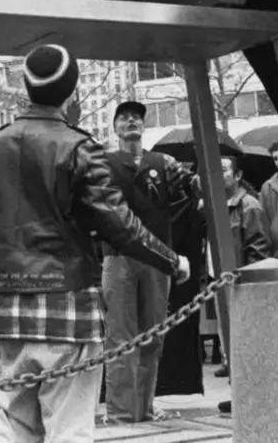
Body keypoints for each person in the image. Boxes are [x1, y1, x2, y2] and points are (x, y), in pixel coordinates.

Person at [0, 44, 189, 442]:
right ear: (71, 92)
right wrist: (172, 260)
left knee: (13, 424)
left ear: (25, 87)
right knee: (69, 429)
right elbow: (119, 224)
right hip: (67, 302)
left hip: (7, 302)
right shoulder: (80, 148)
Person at [100, 98, 196, 425]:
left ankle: (145, 408)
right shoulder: (102, 163)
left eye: (137, 118)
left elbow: (193, 189)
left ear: (143, 126)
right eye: (124, 118)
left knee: (153, 336)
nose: (131, 122)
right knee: (120, 338)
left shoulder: (164, 162)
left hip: (157, 259)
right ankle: (121, 413)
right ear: (114, 128)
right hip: (118, 258)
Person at [222, 154, 269, 267]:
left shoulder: (249, 205)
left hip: (238, 276)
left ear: (237, 175)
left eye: (222, 170)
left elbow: (258, 250)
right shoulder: (211, 205)